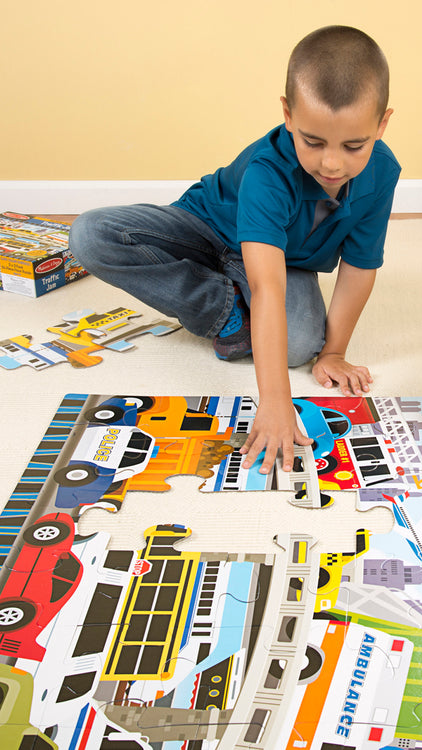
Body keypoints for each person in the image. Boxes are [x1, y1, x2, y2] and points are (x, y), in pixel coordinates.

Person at [69, 25, 399, 476]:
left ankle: (234, 313)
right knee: (92, 234)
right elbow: (266, 289)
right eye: (313, 141)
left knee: (301, 344)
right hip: (208, 229)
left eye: (354, 145)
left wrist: (333, 353)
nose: (332, 163)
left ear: (382, 124)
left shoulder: (383, 173)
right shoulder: (268, 171)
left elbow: (360, 266)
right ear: (288, 114)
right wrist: (276, 402)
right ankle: (225, 311)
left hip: (283, 258)